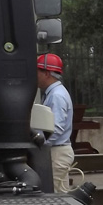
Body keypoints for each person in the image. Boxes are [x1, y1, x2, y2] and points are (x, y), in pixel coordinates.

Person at [36, 53, 75, 192]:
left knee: (58, 196)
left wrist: (40, 144)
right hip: (57, 151)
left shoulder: (56, 95)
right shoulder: (54, 93)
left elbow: (56, 128)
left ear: (47, 73)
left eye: (37, 72)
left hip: (57, 152)